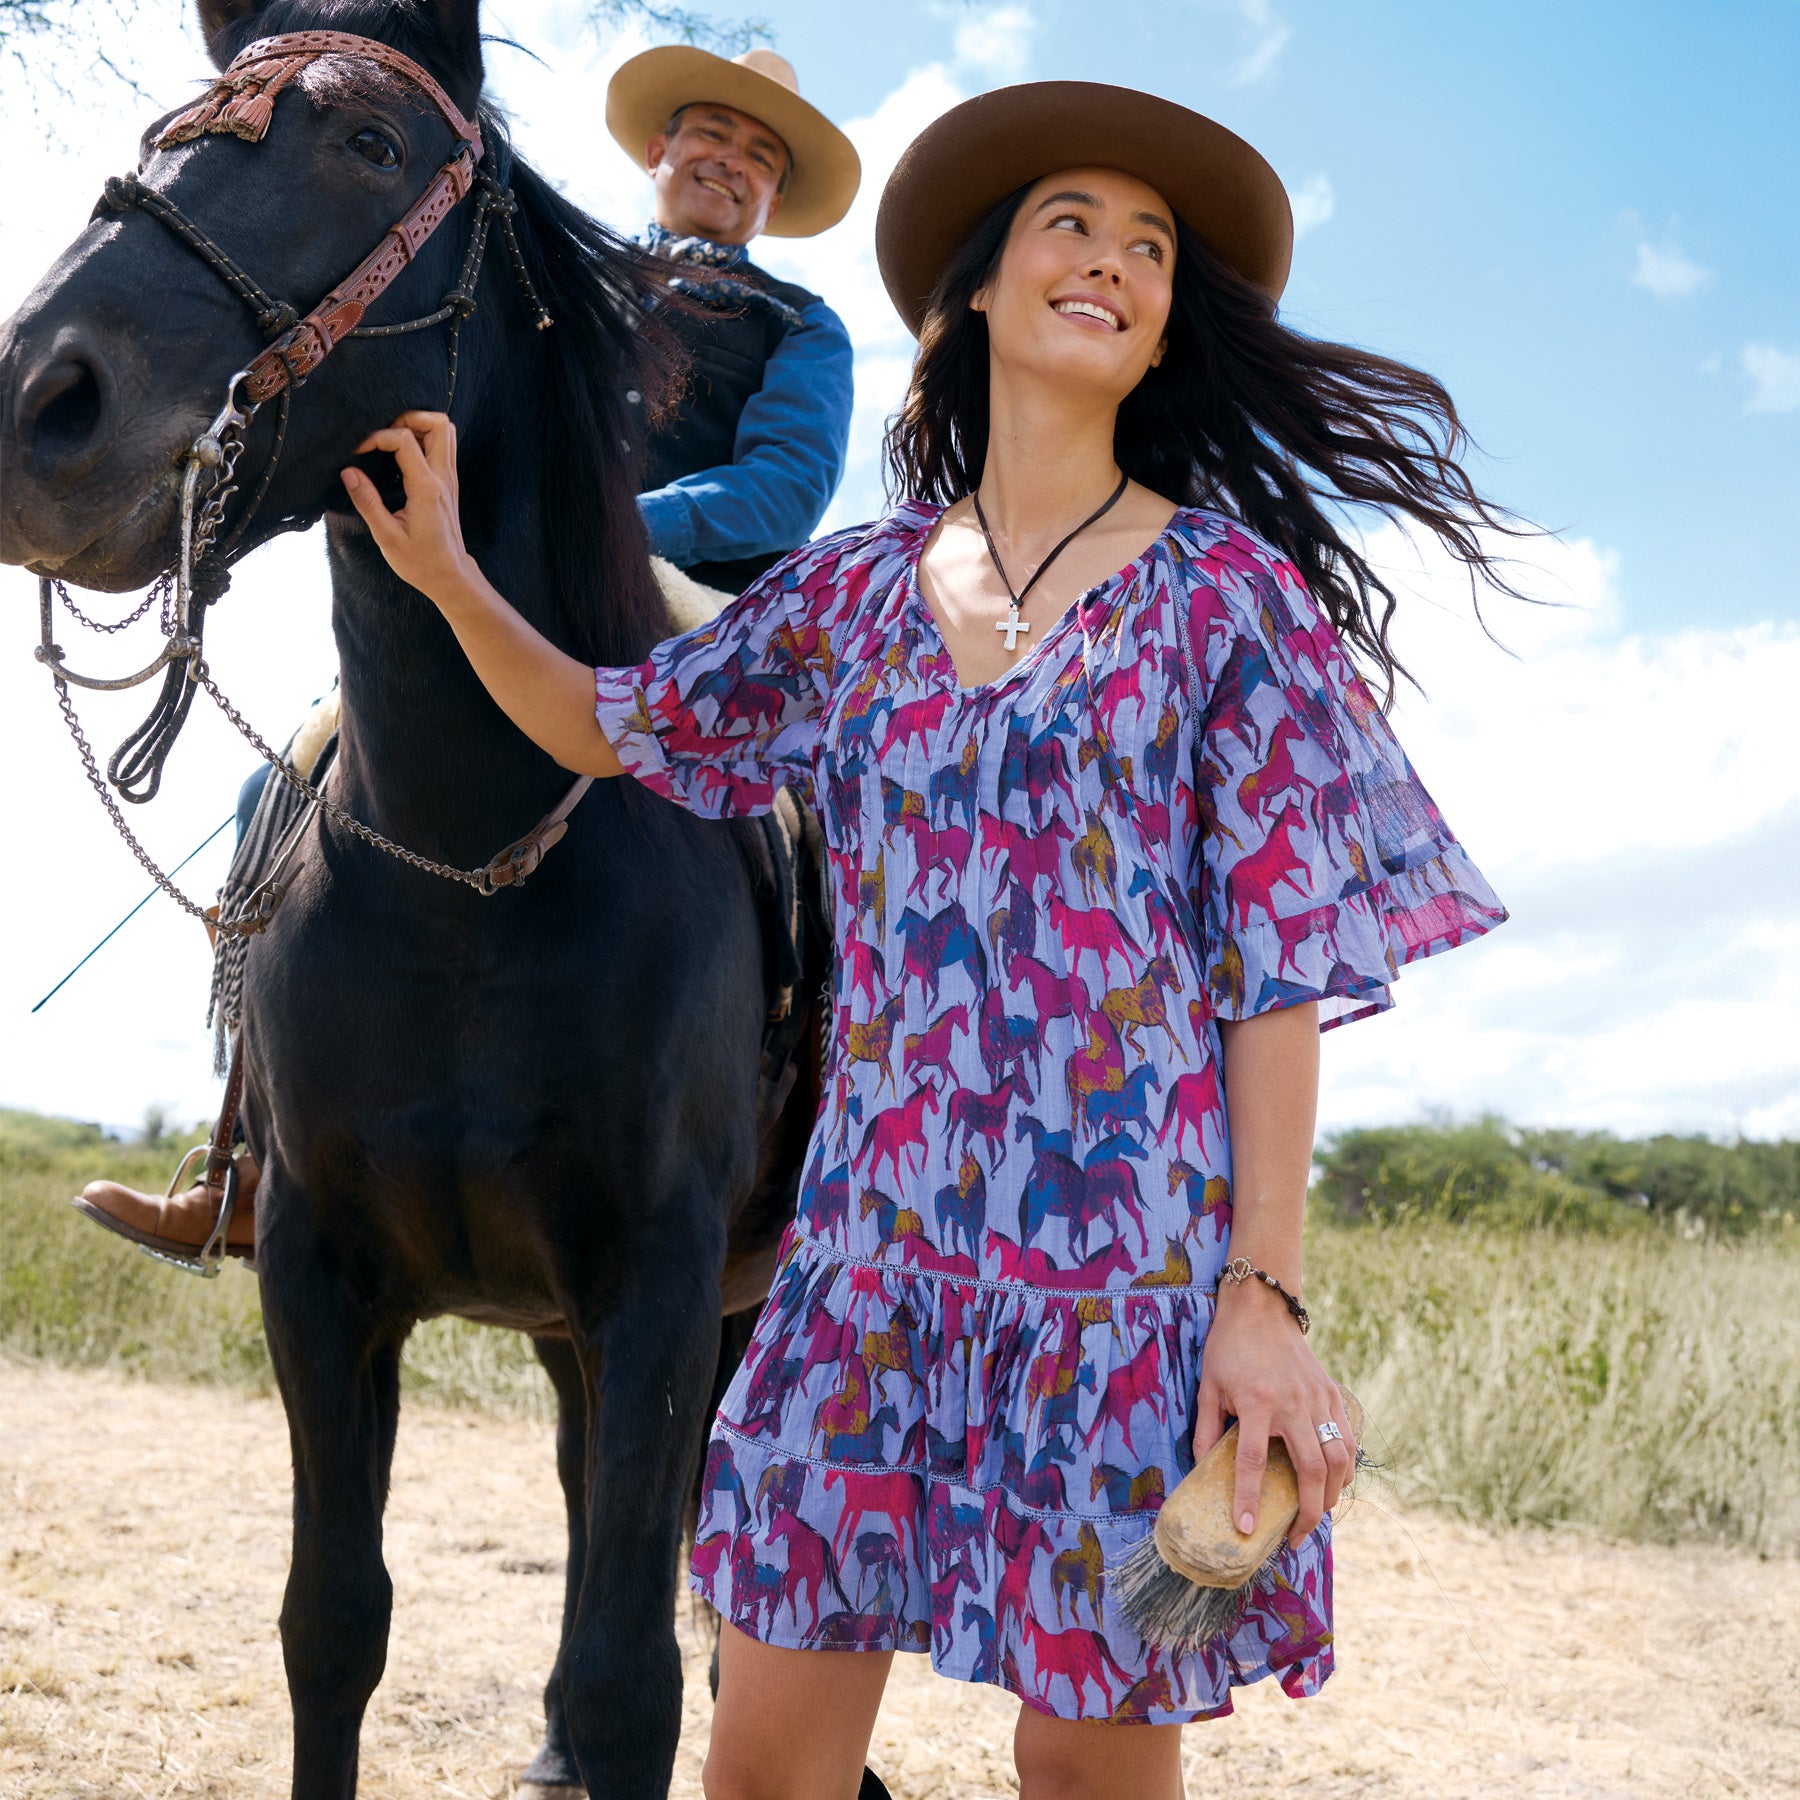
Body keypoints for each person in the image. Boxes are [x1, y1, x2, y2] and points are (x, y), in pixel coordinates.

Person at [336, 79, 1513, 1795]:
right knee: (760, 1773)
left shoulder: (1228, 602)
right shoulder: (852, 594)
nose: (1110, 260)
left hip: (1122, 1290)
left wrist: (1260, 1298)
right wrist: (452, 578)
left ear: (1164, 326)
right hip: (865, 1269)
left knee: (1083, 1773)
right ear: (977, 289)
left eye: (1149, 249)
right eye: (1069, 224)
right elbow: (608, 721)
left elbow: (1276, 978)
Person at [73, 44, 860, 1263]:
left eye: (762, 155)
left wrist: (600, 533)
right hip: (498, 590)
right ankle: (243, 1155)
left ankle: (822, 1162)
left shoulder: (801, 325)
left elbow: (785, 490)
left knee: (824, 830)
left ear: (774, 194)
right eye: (714, 133)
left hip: (691, 612)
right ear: (662, 149)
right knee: (280, 783)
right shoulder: (554, 276)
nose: (733, 162)